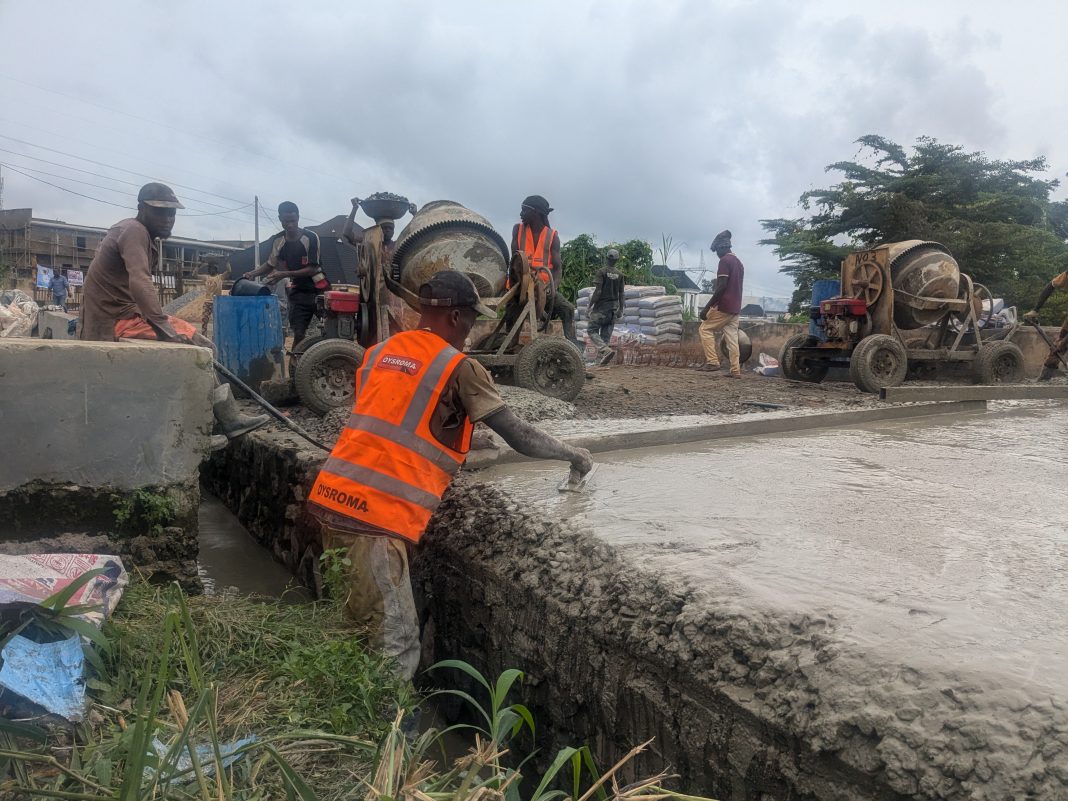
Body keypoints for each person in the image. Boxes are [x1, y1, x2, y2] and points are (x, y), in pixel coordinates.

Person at [308, 270, 594, 681]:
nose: (472, 333)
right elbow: (520, 436)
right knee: (396, 645)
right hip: (375, 519)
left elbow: (396, 422)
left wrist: (462, 443)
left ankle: (350, 715)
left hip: (333, 499)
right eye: (473, 323)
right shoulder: (458, 367)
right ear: (457, 318)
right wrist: (574, 455)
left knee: (359, 627)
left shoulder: (379, 353)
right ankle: (388, 740)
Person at [80, 182, 268, 444]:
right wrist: (164, 328)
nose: (168, 219)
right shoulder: (133, 231)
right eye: (161, 212)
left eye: (172, 213)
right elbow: (139, 281)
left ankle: (227, 419)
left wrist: (164, 325)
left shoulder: (140, 233)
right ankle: (196, 435)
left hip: (127, 314)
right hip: (114, 320)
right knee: (193, 351)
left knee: (204, 343)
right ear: (141, 208)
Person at [244, 202, 325, 348]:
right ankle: (297, 366)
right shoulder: (278, 240)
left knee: (328, 330)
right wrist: (252, 273)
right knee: (299, 334)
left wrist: (284, 274)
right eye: (286, 222)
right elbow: (270, 264)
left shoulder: (311, 238)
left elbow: (312, 268)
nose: (290, 225)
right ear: (280, 219)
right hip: (299, 292)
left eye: (293, 221)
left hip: (319, 289)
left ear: (298, 218)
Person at [510, 195, 579, 346]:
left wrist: (551, 288)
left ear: (535, 213)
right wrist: (521, 284)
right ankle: (510, 346)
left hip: (543, 288)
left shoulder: (552, 236)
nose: (521, 214)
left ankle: (574, 349)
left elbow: (557, 268)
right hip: (520, 287)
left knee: (567, 310)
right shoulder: (518, 230)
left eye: (524, 211)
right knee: (513, 319)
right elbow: (514, 262)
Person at [697, 230, 745, 378]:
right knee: (732, 338)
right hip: (735, 307)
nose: (717, 254)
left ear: (724, 247)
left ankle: (712, 362)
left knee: (704, 329)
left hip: (724, 306)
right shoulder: (739, 263)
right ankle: (735, 370)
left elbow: (722, 286)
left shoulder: (724, 261)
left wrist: (707, 307)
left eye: (717, 250)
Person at [1023, 269, 1068, 380]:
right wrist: (1035, 310)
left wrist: (1064, 342)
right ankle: (1045, 378)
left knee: (1062, 343)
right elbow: (1050, 286)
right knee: (1057, 347)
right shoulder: (1066, 275)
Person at [586, 248, 625, 364]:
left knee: (591, 330)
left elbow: (598, 291)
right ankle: (601, 362)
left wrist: (589, 306)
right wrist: (621, 309)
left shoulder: (601, 272)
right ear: (617, 260)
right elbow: (621, 294)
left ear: (606, 258)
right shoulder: (620, 275)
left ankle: (604, 350)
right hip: (613, 310)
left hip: (601, 309)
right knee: (605, 337)